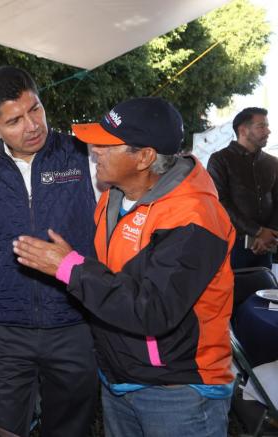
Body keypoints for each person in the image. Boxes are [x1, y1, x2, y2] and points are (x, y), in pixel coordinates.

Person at [13, 97, 235, 436]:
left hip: (177, 391)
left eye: (106, 145)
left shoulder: (194, 217)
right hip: (120, 380)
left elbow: (152, 308)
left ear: (144, 157)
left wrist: (70, 268)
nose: (94, 151)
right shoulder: (112, 196)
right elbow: (117, 278)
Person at [0, 66, 97, 437]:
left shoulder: (83, 156)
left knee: (70, 430)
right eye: (15, 120)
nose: (32, 125)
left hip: (74, 323)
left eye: (36, 110)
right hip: (7, 329)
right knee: (2, 430)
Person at [207, 107, 276, 269]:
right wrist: (258, 231)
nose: (268, 131)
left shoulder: (273, 163)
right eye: (261, 126)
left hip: (266, 246)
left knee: (263, 291)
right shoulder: (220, 159)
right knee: (233, 293)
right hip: (232, 245)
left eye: (267, 126)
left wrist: (269, 233)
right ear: (243, 130)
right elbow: (219, 202)